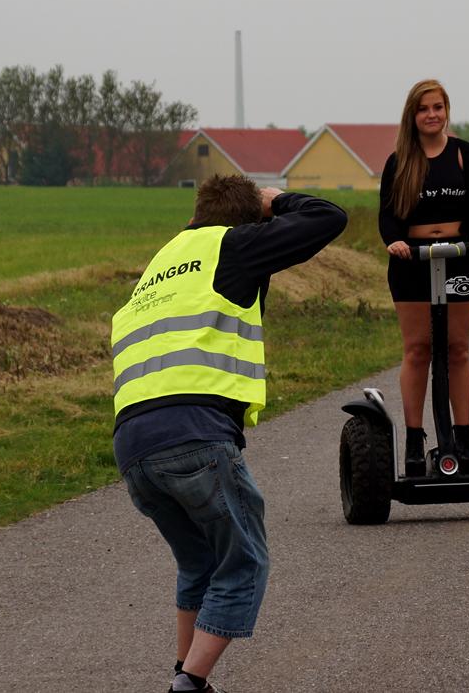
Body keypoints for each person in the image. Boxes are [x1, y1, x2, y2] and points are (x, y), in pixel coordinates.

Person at [111, 175, 347, 692]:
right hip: (194, 433)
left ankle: (183, 674)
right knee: (243, 562)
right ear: (251, 220)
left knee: (198, 563)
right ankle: (190, 684)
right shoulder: (233, 246)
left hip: (132, 445)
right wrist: (276, 201)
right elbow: (329, 218)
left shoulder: (161, 263)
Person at [379, 78, 469, 476]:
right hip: (411, 262)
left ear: (447, 111)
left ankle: (462, 440)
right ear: (412, 115)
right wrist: (394, 241)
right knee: (418, 349)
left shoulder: (465, 155)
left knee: (458, 348)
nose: (432, 115)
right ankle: (415, 441)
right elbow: (388, 215)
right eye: (424, 109)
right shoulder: (400, 161)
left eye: (438, 108)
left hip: (460, 258)